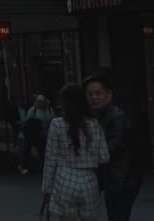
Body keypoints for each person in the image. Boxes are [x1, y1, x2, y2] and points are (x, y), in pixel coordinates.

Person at [43, 83, 110, 221]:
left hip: (64, 179)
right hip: (89, 181)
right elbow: (104, 157)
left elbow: (50, 160)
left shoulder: (57, 124)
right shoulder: (94, 124)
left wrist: (47, 189)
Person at [87, 72, 144, 221]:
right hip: (113, 178)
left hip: (122, 178)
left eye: (98, 93)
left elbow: (112, 146)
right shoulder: (98, 115)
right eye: (90, 94)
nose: (94, 97)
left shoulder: (116, 116)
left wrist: (87, 156)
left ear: (109, 94)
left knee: (118, 216)